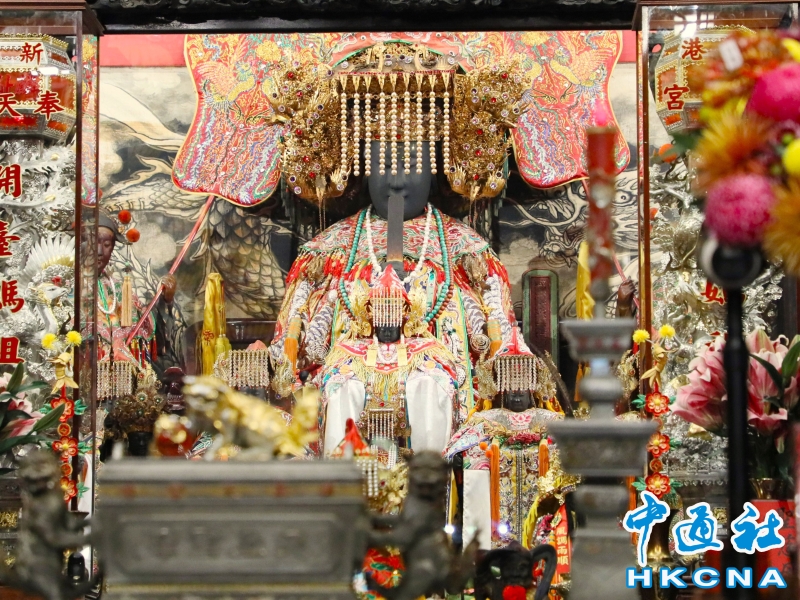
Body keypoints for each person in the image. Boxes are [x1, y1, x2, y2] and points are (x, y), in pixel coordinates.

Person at [268, 42, 551, 456]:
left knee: (430, 388)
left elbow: (500, 342)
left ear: (435, 171)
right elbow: (292, 350)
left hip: (438, 388)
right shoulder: (326, 252)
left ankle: (432, 480)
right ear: (362, 172)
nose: (397, 181)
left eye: (413, 165)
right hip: (347, 383)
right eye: (382, 166)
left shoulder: (468, 252)